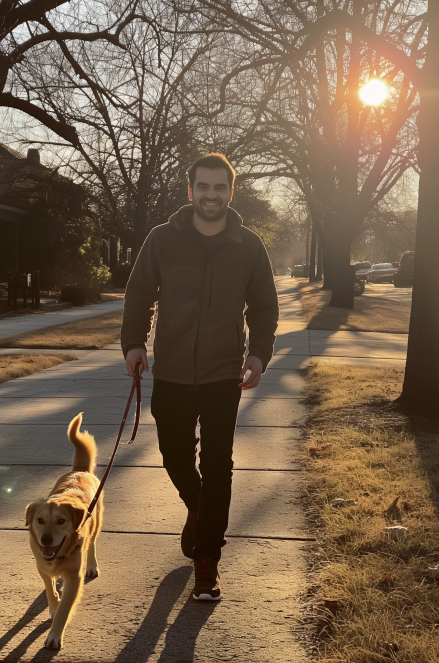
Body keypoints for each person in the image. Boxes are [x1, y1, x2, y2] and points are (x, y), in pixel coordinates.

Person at [121, 153, 279, 601]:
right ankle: (198, 505)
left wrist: (259, 355)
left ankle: (207, 560)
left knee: (217, 465)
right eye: (203, 187)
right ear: (190, 191)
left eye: (220, 188)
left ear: (231, 192)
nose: (212, 195)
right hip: (169, 372)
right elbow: (138, 296)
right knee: (174, 456)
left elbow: (265, 307)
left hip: (221, 374)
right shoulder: (162, 240)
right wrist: (134, 344)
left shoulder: (249, 246)